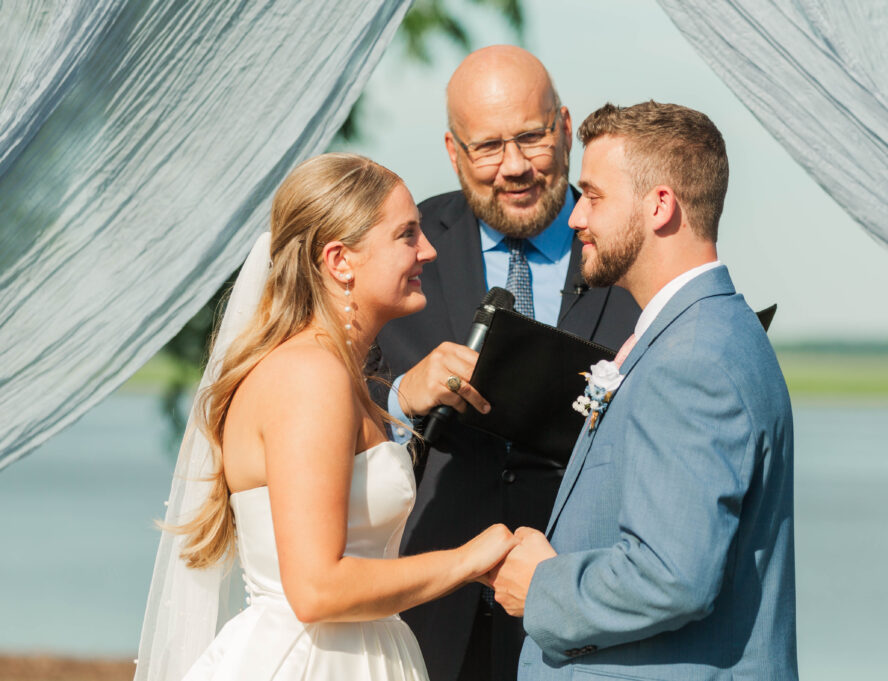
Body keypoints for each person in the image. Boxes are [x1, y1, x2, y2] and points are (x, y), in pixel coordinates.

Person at [134, 153, 519, 681]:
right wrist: (468, 560)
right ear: (340, 261)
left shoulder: (339, 373)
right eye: (407, 235)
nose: (428, 250)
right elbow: (316, 589)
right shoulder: (310, 376)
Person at [488, 102, 798, 679]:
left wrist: (542, 587)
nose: (576, 217)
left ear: (660, 205)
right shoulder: (704, 332)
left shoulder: (694, 359)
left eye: (595, 196)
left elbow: (671, 577)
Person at [373, 46, 640, 681]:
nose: (514, 167)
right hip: (428, 618)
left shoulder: (633, 248)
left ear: (566, 128)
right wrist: (401, 397)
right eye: (488, 147)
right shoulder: (399, 248)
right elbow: (333, 402)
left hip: (581, 623)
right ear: (452, 150)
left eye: (531, 138)